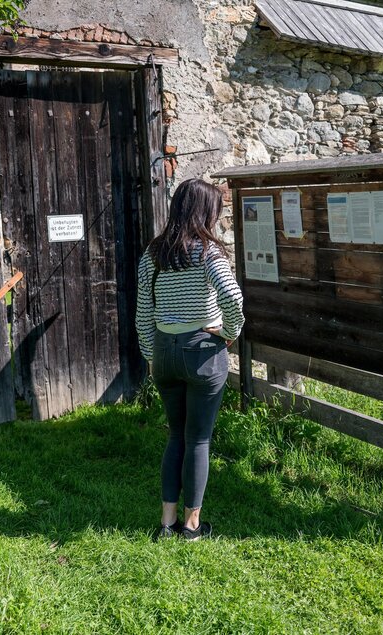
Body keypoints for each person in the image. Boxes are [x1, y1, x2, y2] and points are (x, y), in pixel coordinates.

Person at [136, 178, 245, 541]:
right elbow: (232, 297)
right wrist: (231, 332)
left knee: (175, 436)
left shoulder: (152, 253)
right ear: (204, 212)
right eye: (215, 210)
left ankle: (166, 523)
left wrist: (152, 356)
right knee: (198, 440)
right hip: (202, 352)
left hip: (165, 352)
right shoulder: (208, 253)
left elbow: (142, 314)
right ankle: (191, 526)